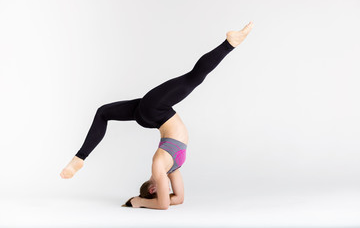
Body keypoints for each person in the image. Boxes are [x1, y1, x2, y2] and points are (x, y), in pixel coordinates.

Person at [60, 21, 254, 209]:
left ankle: (79, 158)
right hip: (155, 115)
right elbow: (177, 200)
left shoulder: (159, 166)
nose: (166, 188)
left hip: (155, 112)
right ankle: (229, 43)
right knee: (191, 78)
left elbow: (163, 204)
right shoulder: (171, 169)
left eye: (161, 189)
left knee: (191, 78)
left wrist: (138, 201)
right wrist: (148, 201)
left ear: (153, 188)